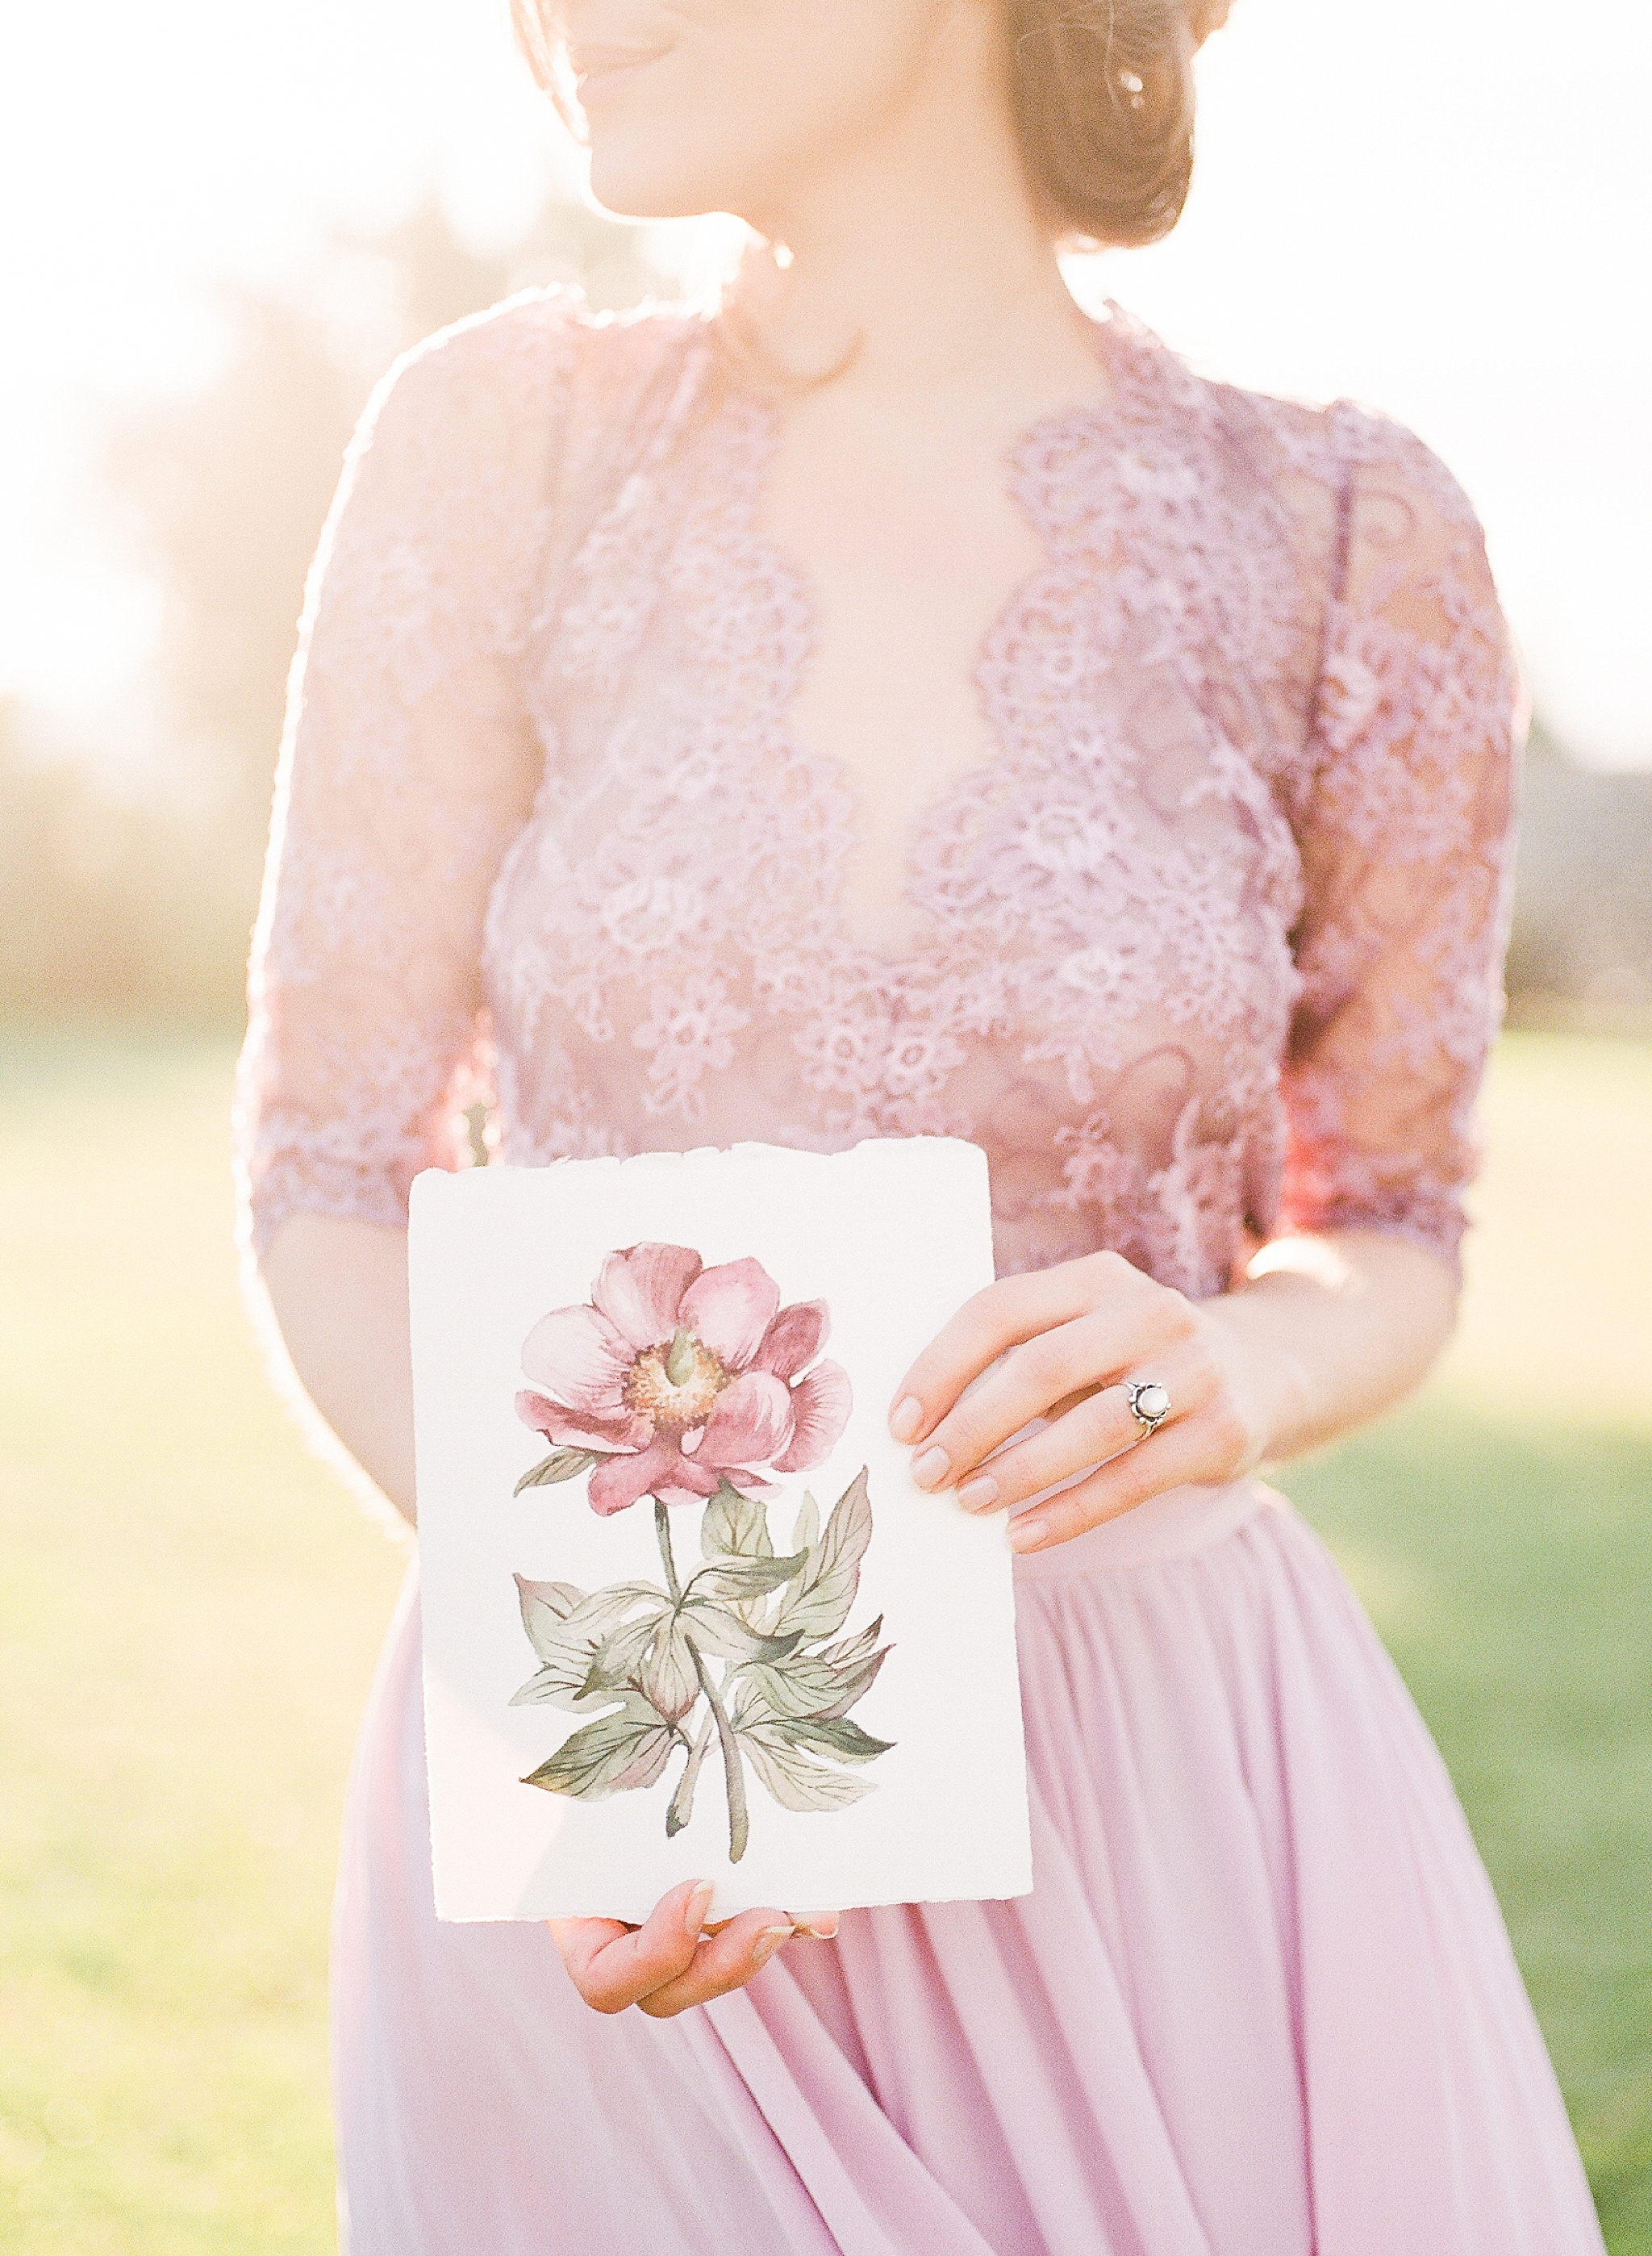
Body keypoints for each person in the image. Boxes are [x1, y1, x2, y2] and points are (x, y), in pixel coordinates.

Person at [233, 2, 1607, 2248]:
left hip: (1169, 1798)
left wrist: (1236, 1363)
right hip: (633, 1822)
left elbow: (1402, 1211)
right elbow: (326, 1161)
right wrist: (621, 1700)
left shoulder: (1351, 531)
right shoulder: (502, 450)